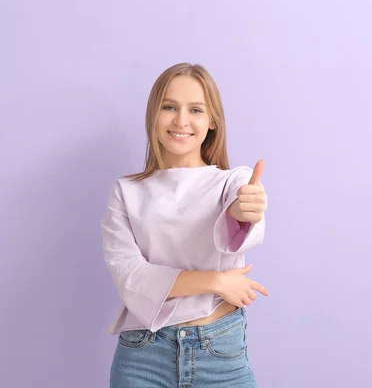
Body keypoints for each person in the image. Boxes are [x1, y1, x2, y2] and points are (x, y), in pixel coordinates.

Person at [100, 62, 269, 387]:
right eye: (169, 107)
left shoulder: (233, 181)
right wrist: (215, 282)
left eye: (195, 110)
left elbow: (239, 212)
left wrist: (246, 209)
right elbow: (130, 275)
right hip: (142, 359)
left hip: (219, 353)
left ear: (212, 122)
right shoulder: (126, 191)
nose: (181, 120)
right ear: (154, 114)